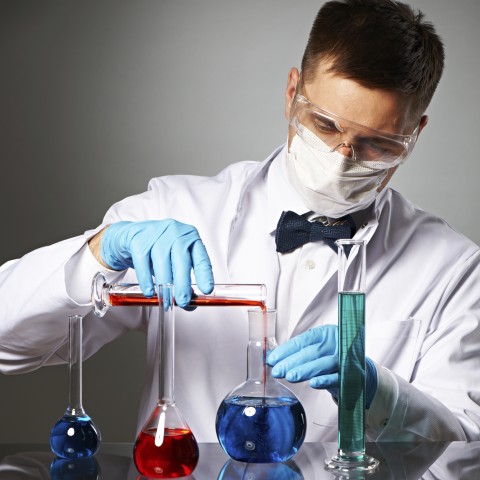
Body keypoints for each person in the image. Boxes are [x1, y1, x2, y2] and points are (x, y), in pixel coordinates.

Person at [1, 0, 479, 445]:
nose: (341, 158)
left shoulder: (453, 270)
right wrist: (98, 254)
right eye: (326, 125)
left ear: (414, 134)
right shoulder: (177, 210)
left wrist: (381, 395)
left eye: (378, 143)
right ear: (293, 93)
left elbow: (466, 446)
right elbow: (9, 348)